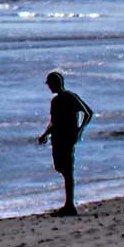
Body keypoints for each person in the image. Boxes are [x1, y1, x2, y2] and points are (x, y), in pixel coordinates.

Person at [40, 71, 95, 216]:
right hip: (57, 138)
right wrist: (45, 134)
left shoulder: (71, 97)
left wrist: (80, 130)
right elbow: (54, 122)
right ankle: (68, 204)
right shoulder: (55, 101)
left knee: (67, 170)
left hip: (68, 137)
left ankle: (69, 205)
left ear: (57, 84)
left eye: (50, 84)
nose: (49, 87)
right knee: (60, 168)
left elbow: (88, 113)